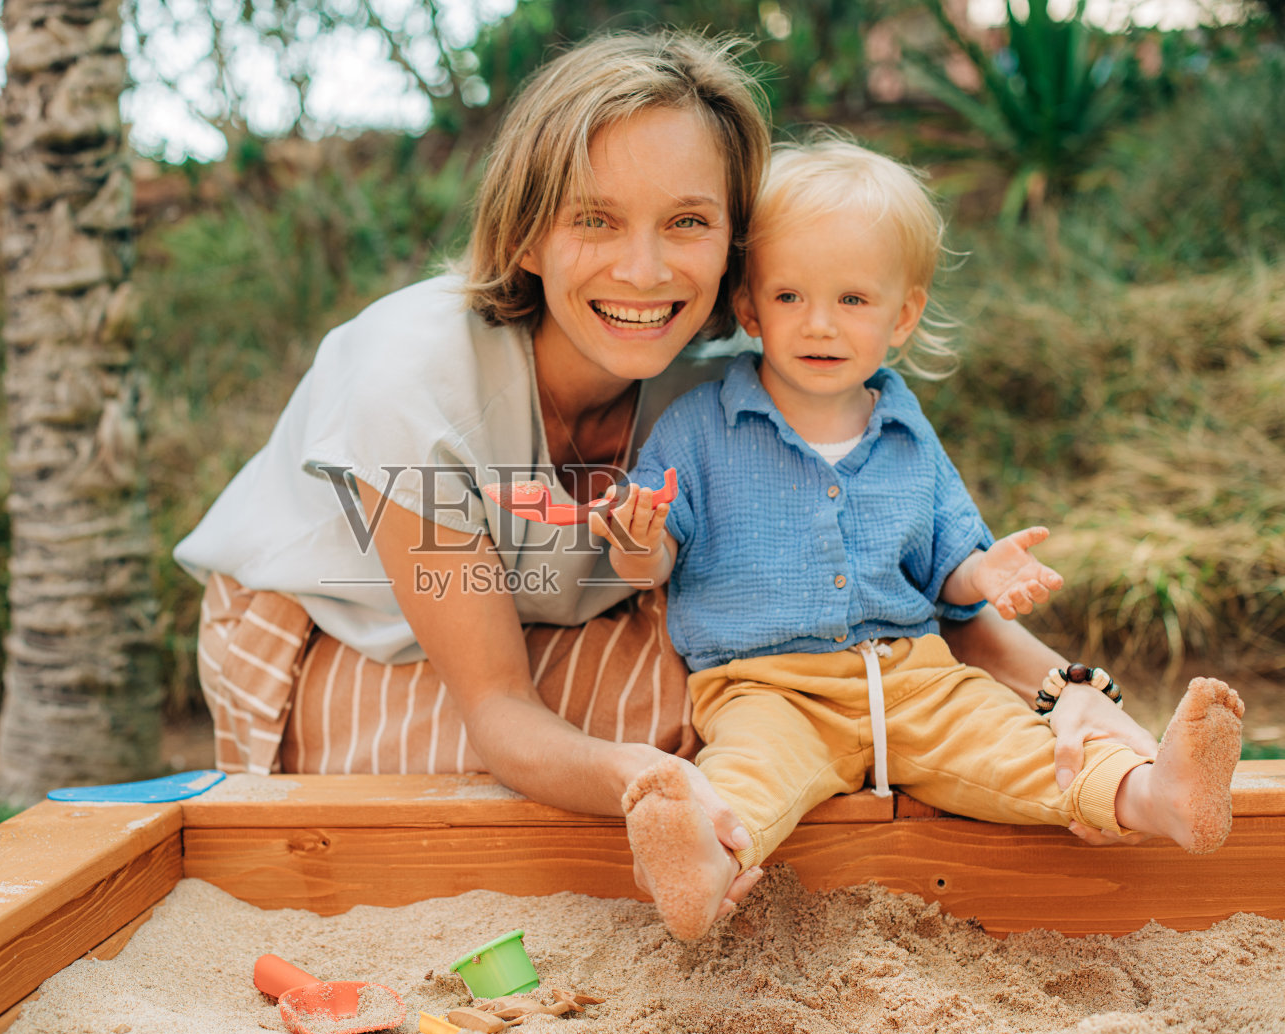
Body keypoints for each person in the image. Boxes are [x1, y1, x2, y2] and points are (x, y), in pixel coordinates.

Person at [174, 32, 1161, 924]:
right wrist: (649, 783)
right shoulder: (411, 392)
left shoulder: (721, 375)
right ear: (525, 232)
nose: (644, 271)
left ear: (735, 242)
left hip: (577, 611)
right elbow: (498, 708)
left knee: (792, 671)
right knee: (695, 717)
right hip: (354, 632)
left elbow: (877, 584)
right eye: (593, 219)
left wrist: (1070, 692)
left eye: (686, 222)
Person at [594, 138, 1246, 941]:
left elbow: (948, 569)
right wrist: (634, 537)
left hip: (916, 677)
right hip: (767, 685)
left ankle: (1159, 794)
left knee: (1021, 748)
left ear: (903, 314)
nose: (820, 323)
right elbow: (651, 560)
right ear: (750, 307)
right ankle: (698, 861)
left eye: (854, 301)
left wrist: (986, 570)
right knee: (748, 773)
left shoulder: (907, 432)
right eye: (790, 296)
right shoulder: (697, 427)